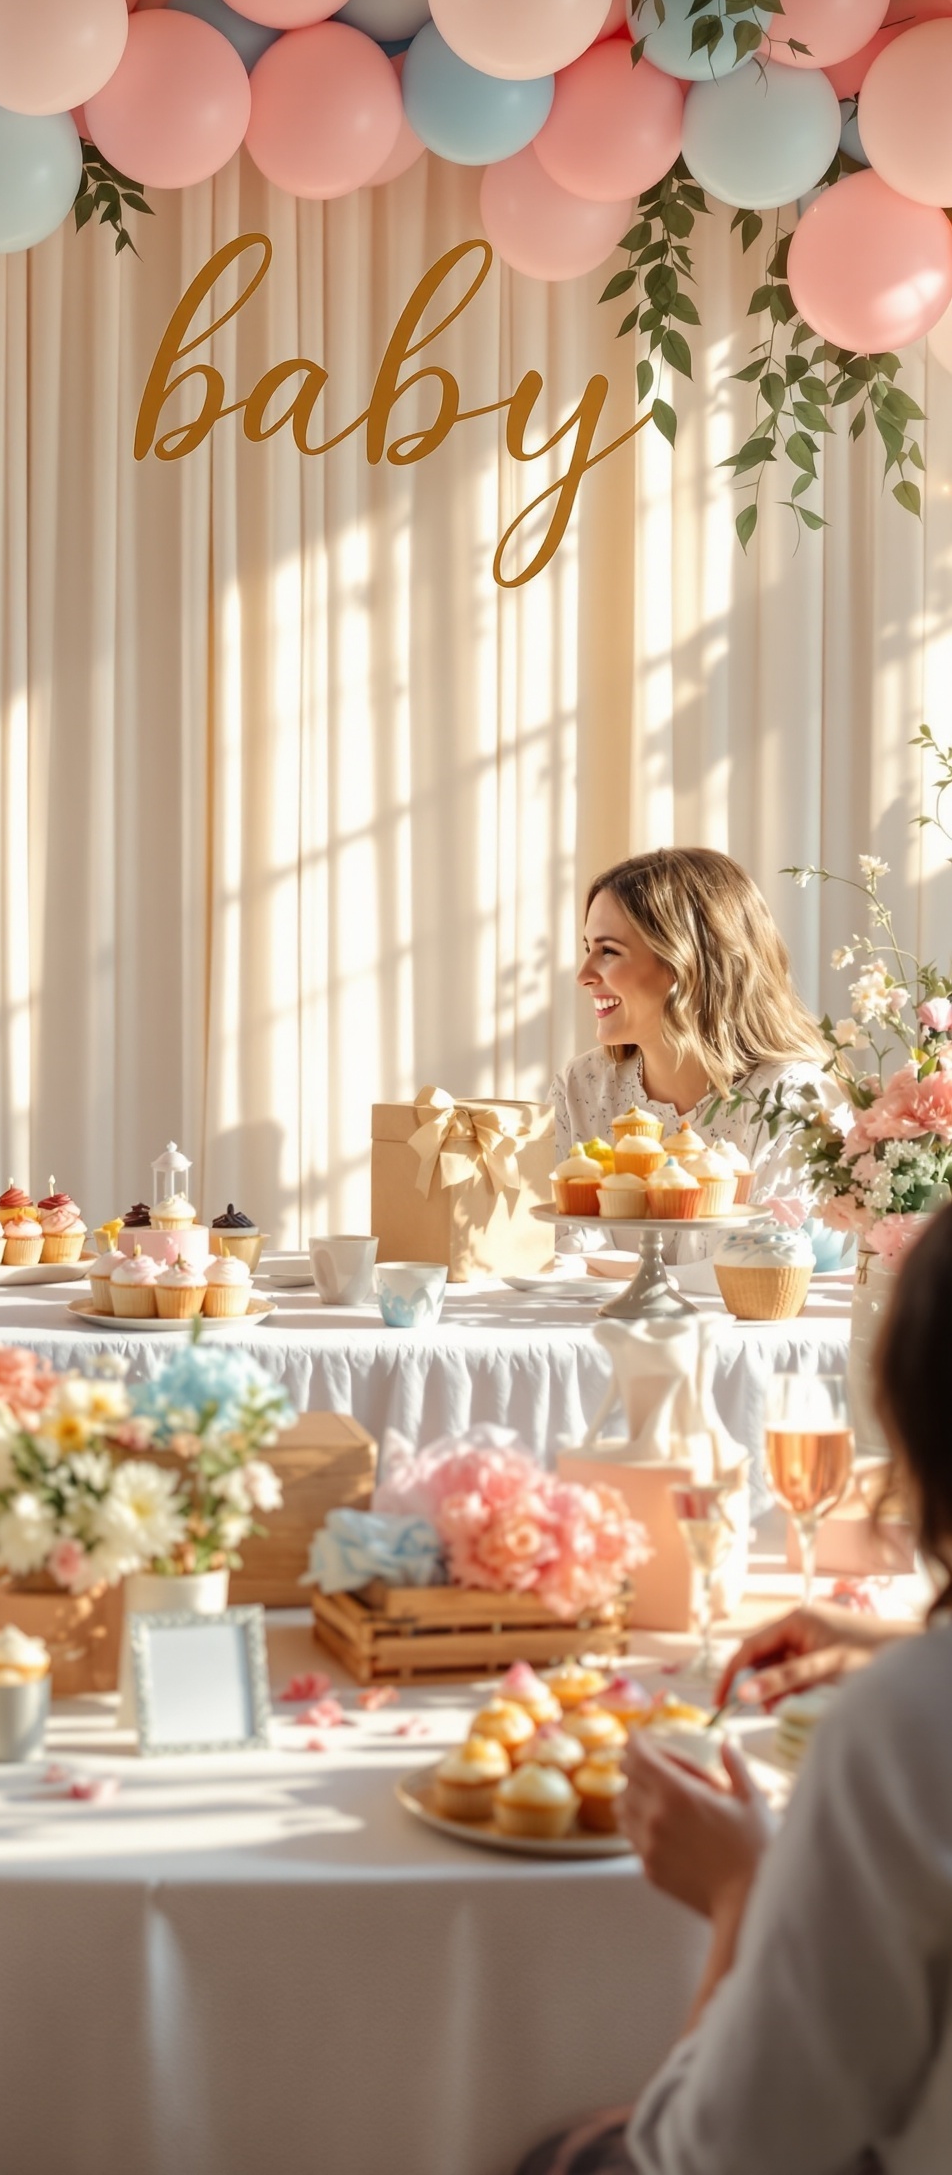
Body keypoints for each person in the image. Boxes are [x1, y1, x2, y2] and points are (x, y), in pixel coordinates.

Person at [520, 1208, 952, 2175]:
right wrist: (896, 1644)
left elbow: (727, 2150)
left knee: (565, 2150)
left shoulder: (904, 1733)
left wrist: (743, 1895)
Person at [551, 847, 829, 1213]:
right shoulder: (581, 1086)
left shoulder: (793, 1099)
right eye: (588, 948)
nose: (583, 976)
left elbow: (769, 1260)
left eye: (608, 952)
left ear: (686, 963)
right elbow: (549, 1247)